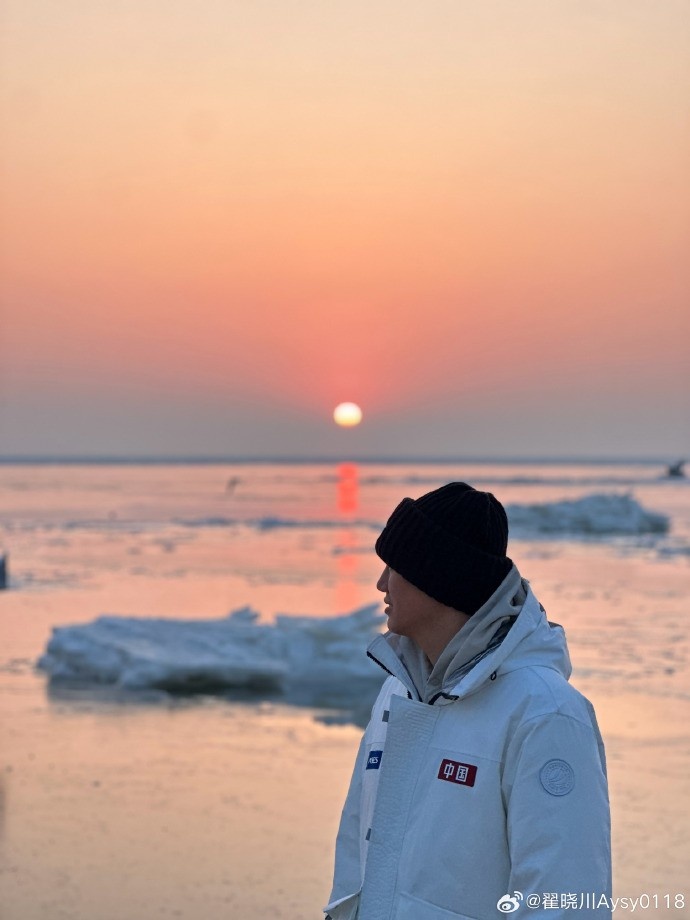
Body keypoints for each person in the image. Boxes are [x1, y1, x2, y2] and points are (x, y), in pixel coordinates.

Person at [325, 482, 611, 920]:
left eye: (394, 566)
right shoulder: (397, 691)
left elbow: (565, 900)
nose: (381, 582)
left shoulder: (546, 712)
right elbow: (355, 856)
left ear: (438, 578)